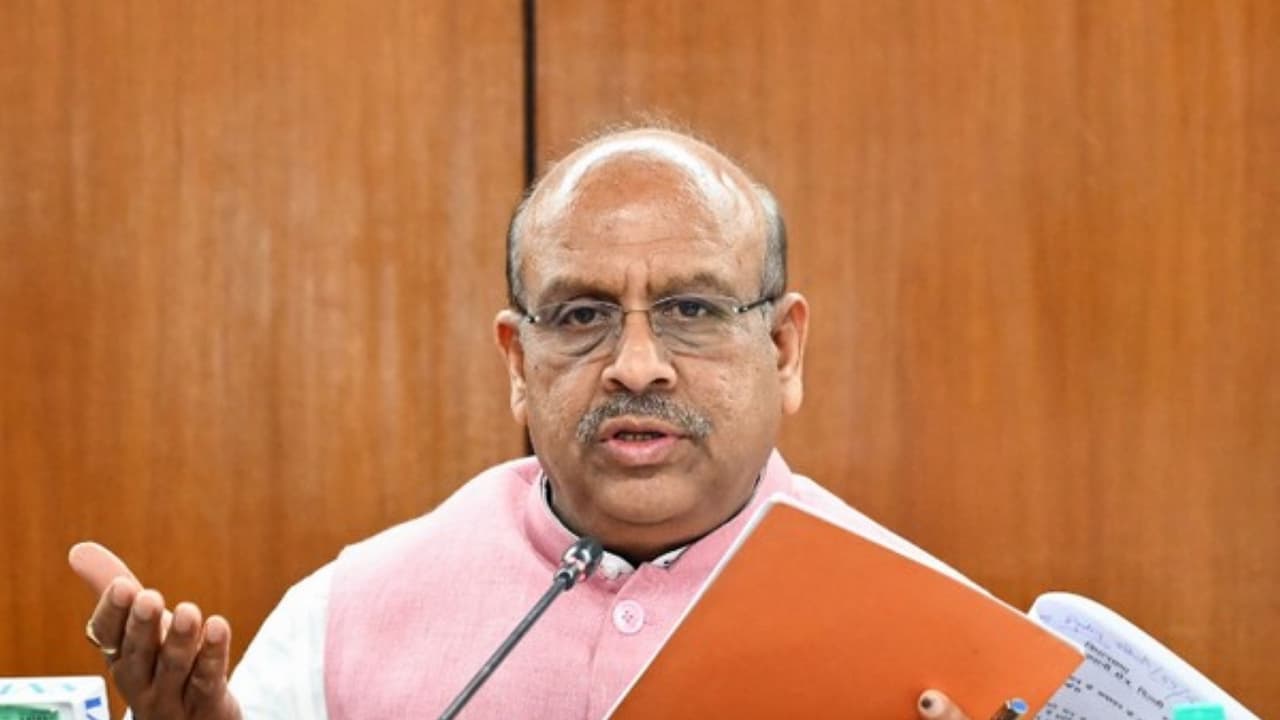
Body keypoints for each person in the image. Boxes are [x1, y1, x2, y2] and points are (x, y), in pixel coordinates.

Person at [70, 126, 993, 719]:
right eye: (583, 315)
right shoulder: (340, 617)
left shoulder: (942, 645)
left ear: (784, 351)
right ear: (519, 363)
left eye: (693, 310)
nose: (637, 364)